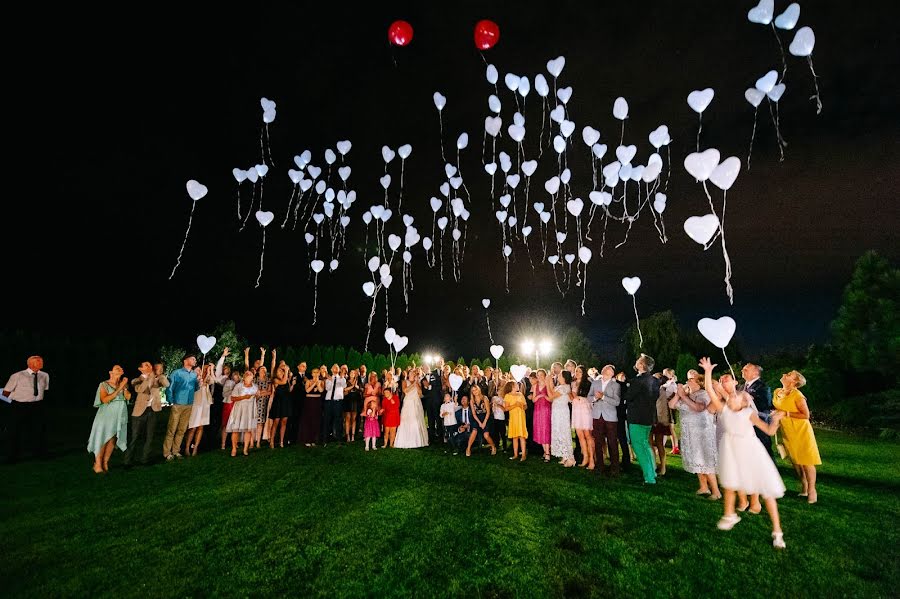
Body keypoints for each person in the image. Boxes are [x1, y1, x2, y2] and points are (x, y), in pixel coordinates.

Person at [700, 357, 787, 548]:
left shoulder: (749, 414)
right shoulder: (724, 409)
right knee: (730, 484)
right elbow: (709, 390)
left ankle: (777, 532)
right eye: (732, 397)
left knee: (767, 491)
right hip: (732, 451)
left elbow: (770, 431)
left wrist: (777, 419)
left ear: (744, 402)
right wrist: (707, 371)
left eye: (737, 396)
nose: (732, 396)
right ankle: (730, 515)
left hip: (751, 451)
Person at [773, 370, 822, 504]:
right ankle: (804, 486)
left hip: (801, 431)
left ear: (794, 382)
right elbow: (779, 409)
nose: (784, 374)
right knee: (796, 462)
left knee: (806, 461)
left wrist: (785, 414)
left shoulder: (798, 395)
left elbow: (805, 415)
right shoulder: (777, 392)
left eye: (789, 375)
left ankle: (812, 491)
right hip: (787, 431)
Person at [669, 372, 720, 499]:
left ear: (699, 383)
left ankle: (716, 492)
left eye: (692, 379)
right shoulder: (687, 395)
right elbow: (671, 405)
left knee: (706, 462)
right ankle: (704, 487)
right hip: (690, 433)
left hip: (702, 432)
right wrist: (678, 394)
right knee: (697, 461)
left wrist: (683, 397)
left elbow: (699, 408)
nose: (688, 381)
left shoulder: (703, 394)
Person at [3, 355, 50, 463]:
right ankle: (12, 456)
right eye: (38, 361)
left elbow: (44, 389)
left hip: (37, 406)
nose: (41, 363)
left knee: (38, 430)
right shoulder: (18, 375)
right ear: (30, 364)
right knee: (15, 431)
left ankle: (40, 453)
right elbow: (6, 392)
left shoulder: (45, 375)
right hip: (19, 406)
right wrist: (16, 399)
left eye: (41, 361)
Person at [123, 361, 169, 467]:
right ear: (140, 369)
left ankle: (145, 459)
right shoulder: (136, 380)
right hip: (139, 412)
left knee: (150, 436)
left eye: (150, 365)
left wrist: (160, 376)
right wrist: (149, 377)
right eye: (146, 365)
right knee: (134, 437)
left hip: (153, 410)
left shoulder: (158, 378)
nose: (150, 366)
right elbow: (140, 389)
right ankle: (127, 461)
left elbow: (167, 384)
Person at [87, 365, 131, 473]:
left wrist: (124, 387)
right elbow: (105, 399)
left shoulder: (124, 384)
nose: (120, 369)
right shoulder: (104, 384)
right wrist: (120, 388)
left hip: (119, 415)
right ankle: (97, 464)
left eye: (121, 368)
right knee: (103, 438)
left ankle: (105, 462)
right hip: (106, 414)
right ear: (110, 372)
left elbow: (128, 397)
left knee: (112, 439)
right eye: (117, 368)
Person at [625, 354, 661, 484]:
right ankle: (653, 472)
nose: (636, 362)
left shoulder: (637, 381)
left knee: (638, 446)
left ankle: (649, 477)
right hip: (648, 418)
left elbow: (628, 396)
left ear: (641, 365)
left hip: (637, 418)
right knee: (645, 445)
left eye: (638, 361)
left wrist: (626, 386)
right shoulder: (655, 381)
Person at [163, 354, 198, 460]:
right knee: (172, 428)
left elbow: (195, 388)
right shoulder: (177, 373)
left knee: (182, 429)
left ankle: (176, 450)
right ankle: (167, 452)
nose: (195, 361)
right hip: (178, 403)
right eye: (193, 359)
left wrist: (198, 383)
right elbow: (170, 387)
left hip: (189, 403)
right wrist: (171, 400)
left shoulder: (194, 375)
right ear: (185, 360)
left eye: (195, 359)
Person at [589, 365, 621, 475]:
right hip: (597, 415)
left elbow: (617, 402)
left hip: (610, 417)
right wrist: (595, 398)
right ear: (603, 371)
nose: (609, 371)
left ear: (612, 373)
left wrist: (603, 397)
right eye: (607, 369)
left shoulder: (615, 385)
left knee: (612, 442)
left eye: (611, 370)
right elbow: (589, 397)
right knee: (598, 441)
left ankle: (614, 468)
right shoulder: (595, 383)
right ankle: (600, 466)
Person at [741, 363, 773, 456]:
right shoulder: (743, 386)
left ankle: (770, 468)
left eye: (746, 369)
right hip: (747, 423)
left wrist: (749, 399)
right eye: (743, 369)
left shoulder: (762, 387)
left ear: (755, 373)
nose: (742, 371)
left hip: (759, 423)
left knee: (764, 449)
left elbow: (765, 405)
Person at [185, 363, 215, 456]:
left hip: (205, 404)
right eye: (198, 370)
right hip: (196, 404)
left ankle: (195, 448)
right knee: (193, 427)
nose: (200, 371)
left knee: (201, 427)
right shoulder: (192, 380)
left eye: (200, 370)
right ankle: (187, 447)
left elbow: (212, 381)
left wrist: (210, 371)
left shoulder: (206, 378)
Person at [226, 371, 258, 456]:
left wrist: (257, 396)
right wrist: (244, 397)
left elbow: (256, 398)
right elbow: (232, 398)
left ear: (253, 376)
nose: (248, 375)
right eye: (247, 374)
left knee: (248, 429)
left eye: (250, 374)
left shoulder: (255, 387)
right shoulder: (239, 386)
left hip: (250, 409)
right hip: (239, 409)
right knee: (236, 429)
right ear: (244, 376)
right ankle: (233, 449)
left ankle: (245, 449)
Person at [395, 368, 429, 448]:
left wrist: (417, 384)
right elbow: (405, 391)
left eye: (413, 373)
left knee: (417, 420)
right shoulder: (404, 382)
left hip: (416, 402)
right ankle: (405, 441)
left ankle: (417, 441)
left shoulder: (418, 382)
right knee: (407, 420)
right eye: (410, 373)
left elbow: (420, 394)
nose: (412, 374)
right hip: (408, 403)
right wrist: (413, 384)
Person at [652, 369, 677, 476]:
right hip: (649, 419)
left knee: (659, 444)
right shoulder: (651, 390)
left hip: (659, 420)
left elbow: (663, 407)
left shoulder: (663, 390)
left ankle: (662, 467)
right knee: (650, 444)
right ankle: (653, 465)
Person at [549, 371, 575, 467]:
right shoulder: (560, 387)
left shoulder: (565, 387)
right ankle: (564, 455)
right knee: (558, 432)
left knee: (564, 432)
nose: (558, 377)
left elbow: (551, 396)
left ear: (564, 377)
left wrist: (548, 382)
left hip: (562, 412)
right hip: (556, 412)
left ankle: (570, 458)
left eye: (559, 375)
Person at [571, 366, 595, 469]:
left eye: (580, 371)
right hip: (576, 409)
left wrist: (579, 397)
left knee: (587, 434)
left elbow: (590, 397)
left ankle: (592, 460)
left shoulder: (588, 383)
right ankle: (585, 457)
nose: (577, 373)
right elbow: (572, 396)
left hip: (585, 409)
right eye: (576, 371)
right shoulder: (573, 383)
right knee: (579, 434)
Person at [466, 385, 497, 456]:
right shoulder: (471, 401)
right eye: (473, 390)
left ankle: (493, 446)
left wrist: (484, 422)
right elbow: (474, 414)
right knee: (474, 431)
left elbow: (488, 412)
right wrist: (479, 423)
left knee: (486, 435)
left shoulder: (484, 398)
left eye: (476, 390)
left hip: (486, 417)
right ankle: (468, 448)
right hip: (477, 418)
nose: (475, 392)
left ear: (479, 390)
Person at [501, 381, 528, 461]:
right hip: (513, 418)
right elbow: (506, 408)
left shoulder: (520, 394)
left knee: (522, 436)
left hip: (521, 418)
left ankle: (523, 455)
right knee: (515, 436)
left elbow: (525, 406)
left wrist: (522, 406)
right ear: (512, 387)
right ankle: (515, 454)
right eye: (516, 385)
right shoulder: (507, 396)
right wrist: (515, 405)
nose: (518, 385)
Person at [268, 364, 293, 448]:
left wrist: (292, 383)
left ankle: (281, 441)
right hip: (278, 402)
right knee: (276, 422)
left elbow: (288, 389)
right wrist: (286, 371)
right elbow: (283, 382)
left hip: (286, 402)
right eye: (279, 370)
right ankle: (271, 441)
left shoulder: (287, 379)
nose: (281, 371)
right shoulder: (275, 380)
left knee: (284, 422)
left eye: (282, 370)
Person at [530, 369, 553, 462]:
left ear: (544, 375)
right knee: (539, 429)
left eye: (541, 375)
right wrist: (539, 396)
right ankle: (545, 451)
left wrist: (545, 396)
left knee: (545, 429)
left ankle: (547, 453)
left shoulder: (548, 385)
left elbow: (551, 399)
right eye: (538, 375)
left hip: (546, 409)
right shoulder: (535, 386)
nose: (539, 377)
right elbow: (533, 400)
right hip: (538, 410)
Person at [298, 367, 324, 446]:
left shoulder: (322, 382)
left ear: (319, 374)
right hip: (309, 402)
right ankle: (307, 440)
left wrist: (318, 384)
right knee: (308, 420)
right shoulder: (308, 381)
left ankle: (314, 439)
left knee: (316, 420)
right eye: (314, 372)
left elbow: (321, 390)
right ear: (312, 374)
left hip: (317, 402)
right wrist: (314, 384)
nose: (316, 374)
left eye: (317, 372)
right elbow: (307, 390)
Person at [322, 363, 346, 444]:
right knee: (327, 419)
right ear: (331, 370)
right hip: (328, 401)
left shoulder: (342, 378)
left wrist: (336, 379)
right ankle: (326, 438)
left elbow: (344, 385)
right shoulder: (328, 379)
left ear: (339, 370)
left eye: (337, 368)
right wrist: (332, 380)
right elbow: (328, 388)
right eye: (334, 368)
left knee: (338, 419)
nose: (335, 369)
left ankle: (339, 438)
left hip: (338, 402)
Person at [343, 369, 362, 443]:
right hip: (348, 399)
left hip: (355, 400)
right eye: (351, 372)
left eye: (353, 373)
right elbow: (344, 390)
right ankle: (347, 435)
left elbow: (361, 389)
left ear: (355, 374)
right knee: (348, 418)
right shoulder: (346, 381)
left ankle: (353, 435)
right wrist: (352, 387)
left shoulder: (358, 381)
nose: (352, 374)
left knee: (354, 419)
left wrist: (356, 386)